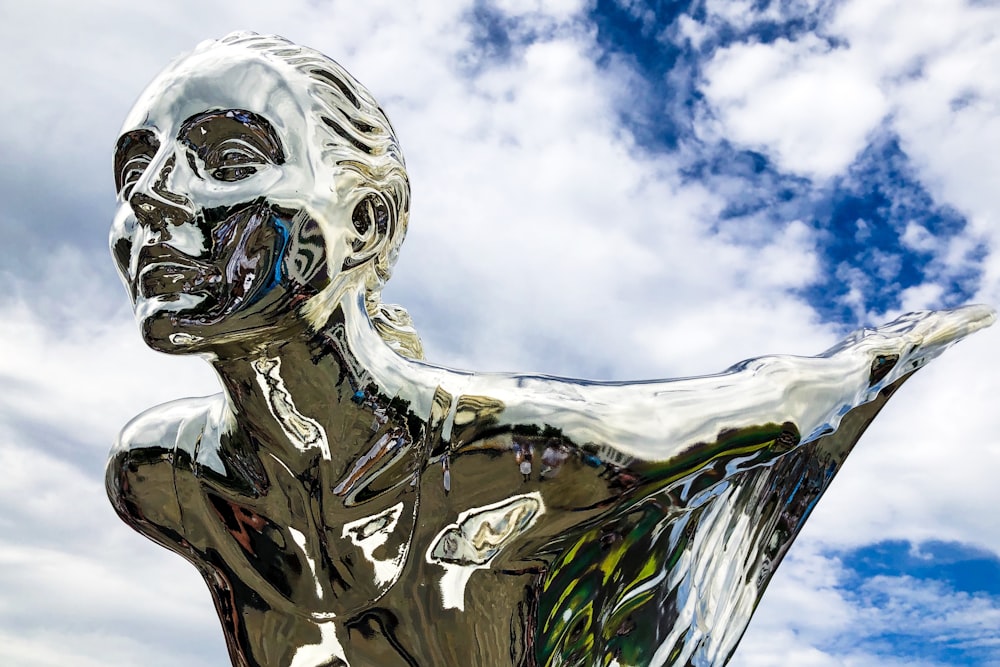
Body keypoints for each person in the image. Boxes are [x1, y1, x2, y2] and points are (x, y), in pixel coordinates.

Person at [106, 32, 994, 667]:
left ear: (362, 225)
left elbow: (768, 403)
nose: (149, 197)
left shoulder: (514, 463)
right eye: (133, 166)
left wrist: (903, 344)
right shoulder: (164, 480)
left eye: (225, 158)